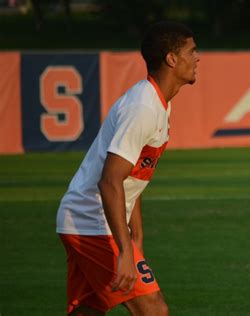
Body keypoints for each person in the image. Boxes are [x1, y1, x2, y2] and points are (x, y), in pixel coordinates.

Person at [56, 21, 199, 315]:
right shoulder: (143, 107)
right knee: (154, 310)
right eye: (191, 51)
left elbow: (133, 176)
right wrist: (124, 251)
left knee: (88, 311)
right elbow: (110, 181)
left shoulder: (159, 103)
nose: (197, 58)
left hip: (85, 220)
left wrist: (137, 239)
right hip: (91, 221)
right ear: (171, 59)